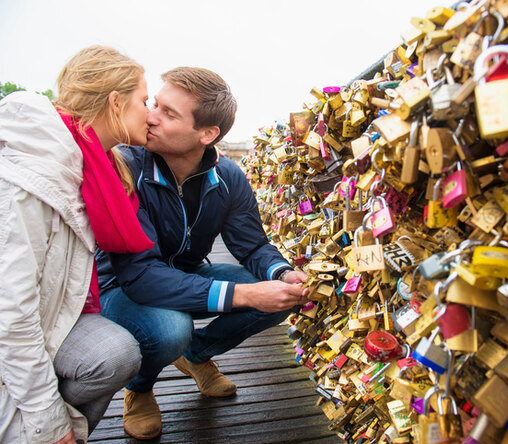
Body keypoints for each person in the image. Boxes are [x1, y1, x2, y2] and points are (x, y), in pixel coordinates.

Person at [96, 67, 310, 440]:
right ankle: (141, 387)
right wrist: (245, 293)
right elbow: (141, 274)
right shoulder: (126, 166)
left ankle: (194, 355)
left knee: (281, 300)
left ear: (207, 135)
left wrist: (281, 273)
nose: (151, 117)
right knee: (169, 329)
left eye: (169, 113)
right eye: (155, 105)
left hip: (187, 274)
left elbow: (251, 244)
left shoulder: (228, 176)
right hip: (122, 286)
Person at [0, 46, 155, 443]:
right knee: (113, 354)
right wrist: (50, 425)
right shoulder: (33, 177)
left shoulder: (87, 163)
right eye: (144, 100)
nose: (150, 114)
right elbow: (10, 315)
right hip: (17, 326)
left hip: (50, 312)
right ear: (115, 103)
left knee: (115, 354)